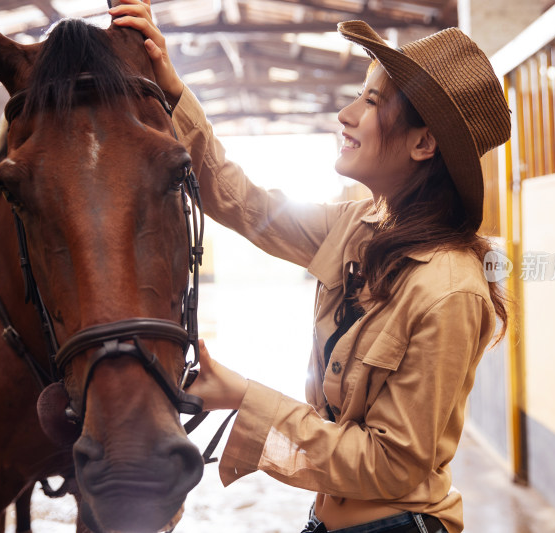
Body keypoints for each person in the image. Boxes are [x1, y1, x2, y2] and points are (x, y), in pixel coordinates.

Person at [109, 2, 511, 532]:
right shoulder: (355, 226)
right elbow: (243, 203)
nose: (345, 114)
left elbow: (392, 466)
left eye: (370, 101)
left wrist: (243, 396)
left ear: (423, 142)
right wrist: (172, 90)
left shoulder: (449, 289)